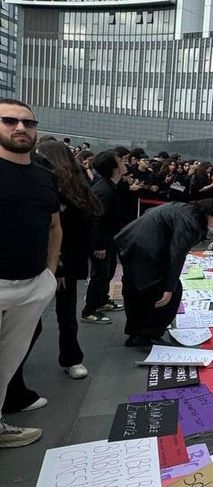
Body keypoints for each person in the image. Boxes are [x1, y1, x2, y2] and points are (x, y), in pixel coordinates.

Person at [3, 141, 103, 415]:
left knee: (61, 316)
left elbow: (65, 227)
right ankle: (13, 382)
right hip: (45, 265)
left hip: (61, 263)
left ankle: (69, 359)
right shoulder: (42, 183)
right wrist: (54, 266)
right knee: (27, 326)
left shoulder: (66, 185)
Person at [0, 98, 60, 448]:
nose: (21, 128)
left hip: (33, 285)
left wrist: (49, 274)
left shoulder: (43, 175)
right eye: (9, 121)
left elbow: (55, 226)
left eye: (28, 123)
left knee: (8, 363)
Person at [115, 198, 213, 347]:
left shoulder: (186, 208)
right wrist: (169, 288)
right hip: (147, 250)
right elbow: (177, 253)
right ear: (208, 214)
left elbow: (152, 213)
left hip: (130, 241)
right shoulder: (191, 223)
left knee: (136, 288)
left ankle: (135, 332)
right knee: (169, 292)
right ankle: (149, 334)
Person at [81, 150, 127, 325]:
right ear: (114, 168)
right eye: (121, 161)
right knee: (99, 274)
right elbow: (95, 219)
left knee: (108, 271)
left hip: (110, 238)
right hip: (102, 241)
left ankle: (102, 300)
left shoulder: (111, 185)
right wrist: (98, 245)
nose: (125, 164)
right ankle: (89, 310)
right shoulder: (104, 190)